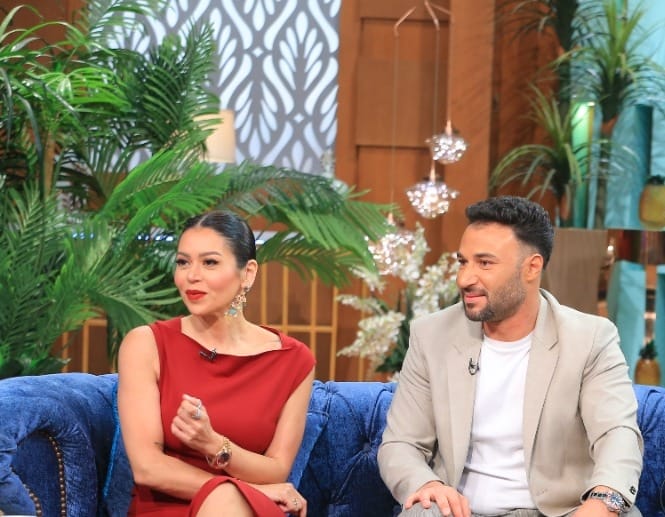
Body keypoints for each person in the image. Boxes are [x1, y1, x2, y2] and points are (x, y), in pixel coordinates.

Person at [378, 196, 643, 517]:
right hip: (460, 511)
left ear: (532, 267)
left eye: (485, 263)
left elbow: (616, 433)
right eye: (463, 262)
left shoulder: (590, 338)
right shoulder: (431, 335)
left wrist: (603, 501)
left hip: (561, 511)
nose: (465, 278)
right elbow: (401, 443)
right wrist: (426, 484)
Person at [117, 210, 315, 516]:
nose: (191, 276)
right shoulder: (146, 344)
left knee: (227, 504)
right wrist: (246, 490)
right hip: (165, 508)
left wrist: (213, 444)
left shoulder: (293, 360)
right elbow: (147, 468)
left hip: (249, 509)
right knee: (225, 501)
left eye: (209, 262)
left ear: (247, 273)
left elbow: (276, 470)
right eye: (183, 262)